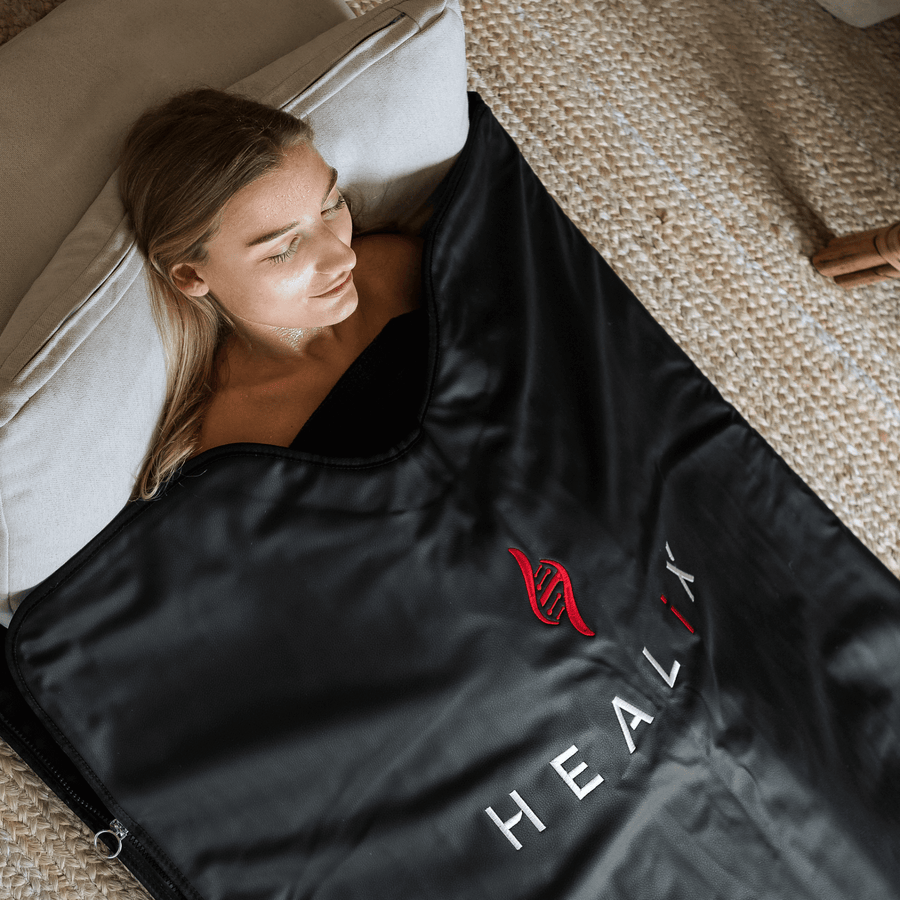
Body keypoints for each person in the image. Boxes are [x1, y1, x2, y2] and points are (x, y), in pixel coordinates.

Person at [119, 88, 426, 500]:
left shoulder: (401, 267)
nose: (344, 257)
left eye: (331, 206)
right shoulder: (239, 445)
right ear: (191, 274)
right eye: (283, 248)